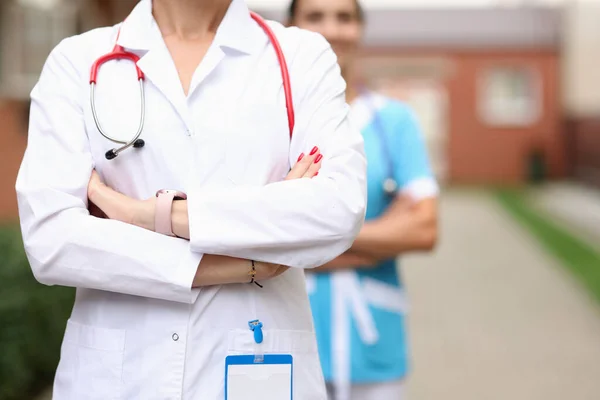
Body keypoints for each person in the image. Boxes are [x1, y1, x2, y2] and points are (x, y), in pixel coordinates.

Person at [15, 0, 367, 399]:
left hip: (257, 362)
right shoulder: (77, 61)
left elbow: (337, 208)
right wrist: (234, 265)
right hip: (118, 377)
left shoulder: (300, 56)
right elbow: (51, 240)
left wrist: (150, 215)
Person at [288, 0, 439, 399]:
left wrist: (306, 242)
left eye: (344, 17)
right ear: (291, 27)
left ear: (360, 28)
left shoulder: (394, 122)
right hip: (288, 333)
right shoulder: (273, 121)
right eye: (316, 16)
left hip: (373, 339)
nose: (332, 29)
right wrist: (383, 235)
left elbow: (424, 229)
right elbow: (249, 234)